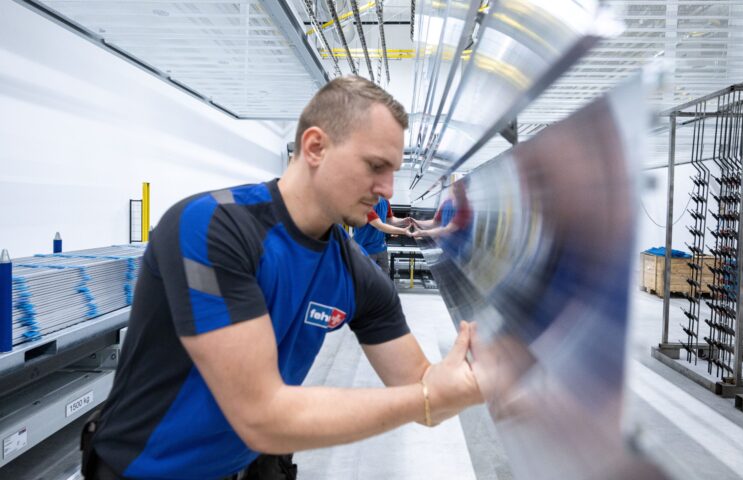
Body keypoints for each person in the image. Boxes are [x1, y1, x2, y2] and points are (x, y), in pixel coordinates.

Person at [81, 76, 483, 480]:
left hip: (247, 464)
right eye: (375, 166)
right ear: (315, 147)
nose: (385, 189)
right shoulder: (211, 227)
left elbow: (422, 383)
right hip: (143, 470)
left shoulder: (356, 274)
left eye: (392, 171)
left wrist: (481, 375)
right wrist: (426, 399)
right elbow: (260, 415)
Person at [353, 196, 411, 275]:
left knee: (384, 280)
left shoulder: (385, 201)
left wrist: (403, 221)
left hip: (381, 249)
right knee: (367, 282)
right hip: (365, 249)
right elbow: (379, 226)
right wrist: (403, 231)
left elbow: (389, 219)